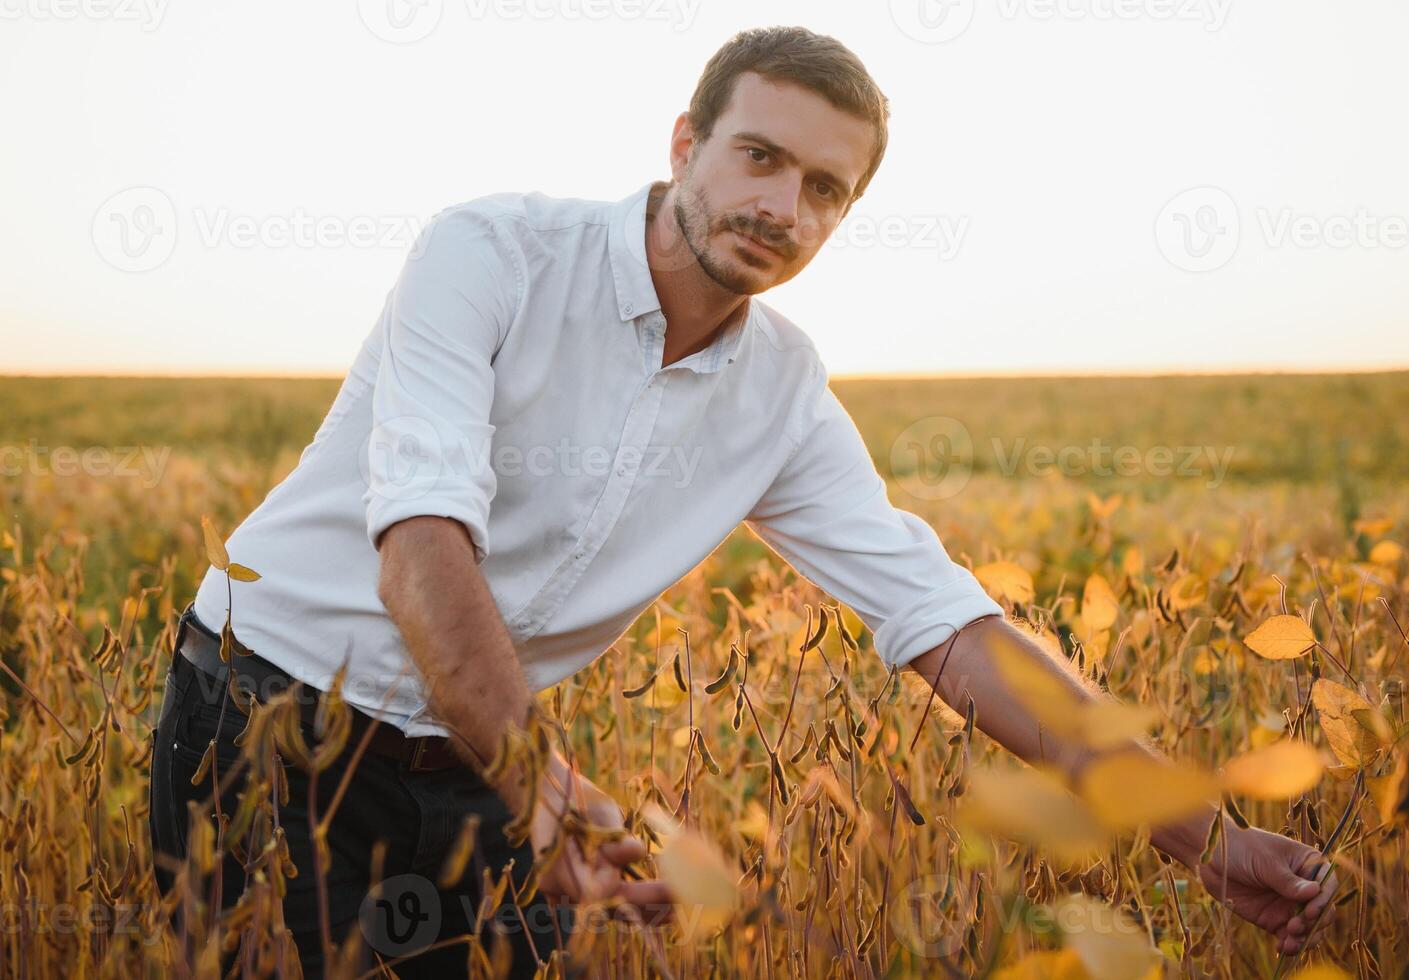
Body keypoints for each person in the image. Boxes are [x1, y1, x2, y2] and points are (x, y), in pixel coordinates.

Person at [149, 24, 1338, 976]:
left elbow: (953, 628)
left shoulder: (781, 393)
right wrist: (548, 799)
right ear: (684, 142)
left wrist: (1206, 838)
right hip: (267, 721)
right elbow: (420, 551)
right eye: (759, 157)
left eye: (825, 187)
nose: (783, 206)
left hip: (480, 762)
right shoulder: (490, 253)